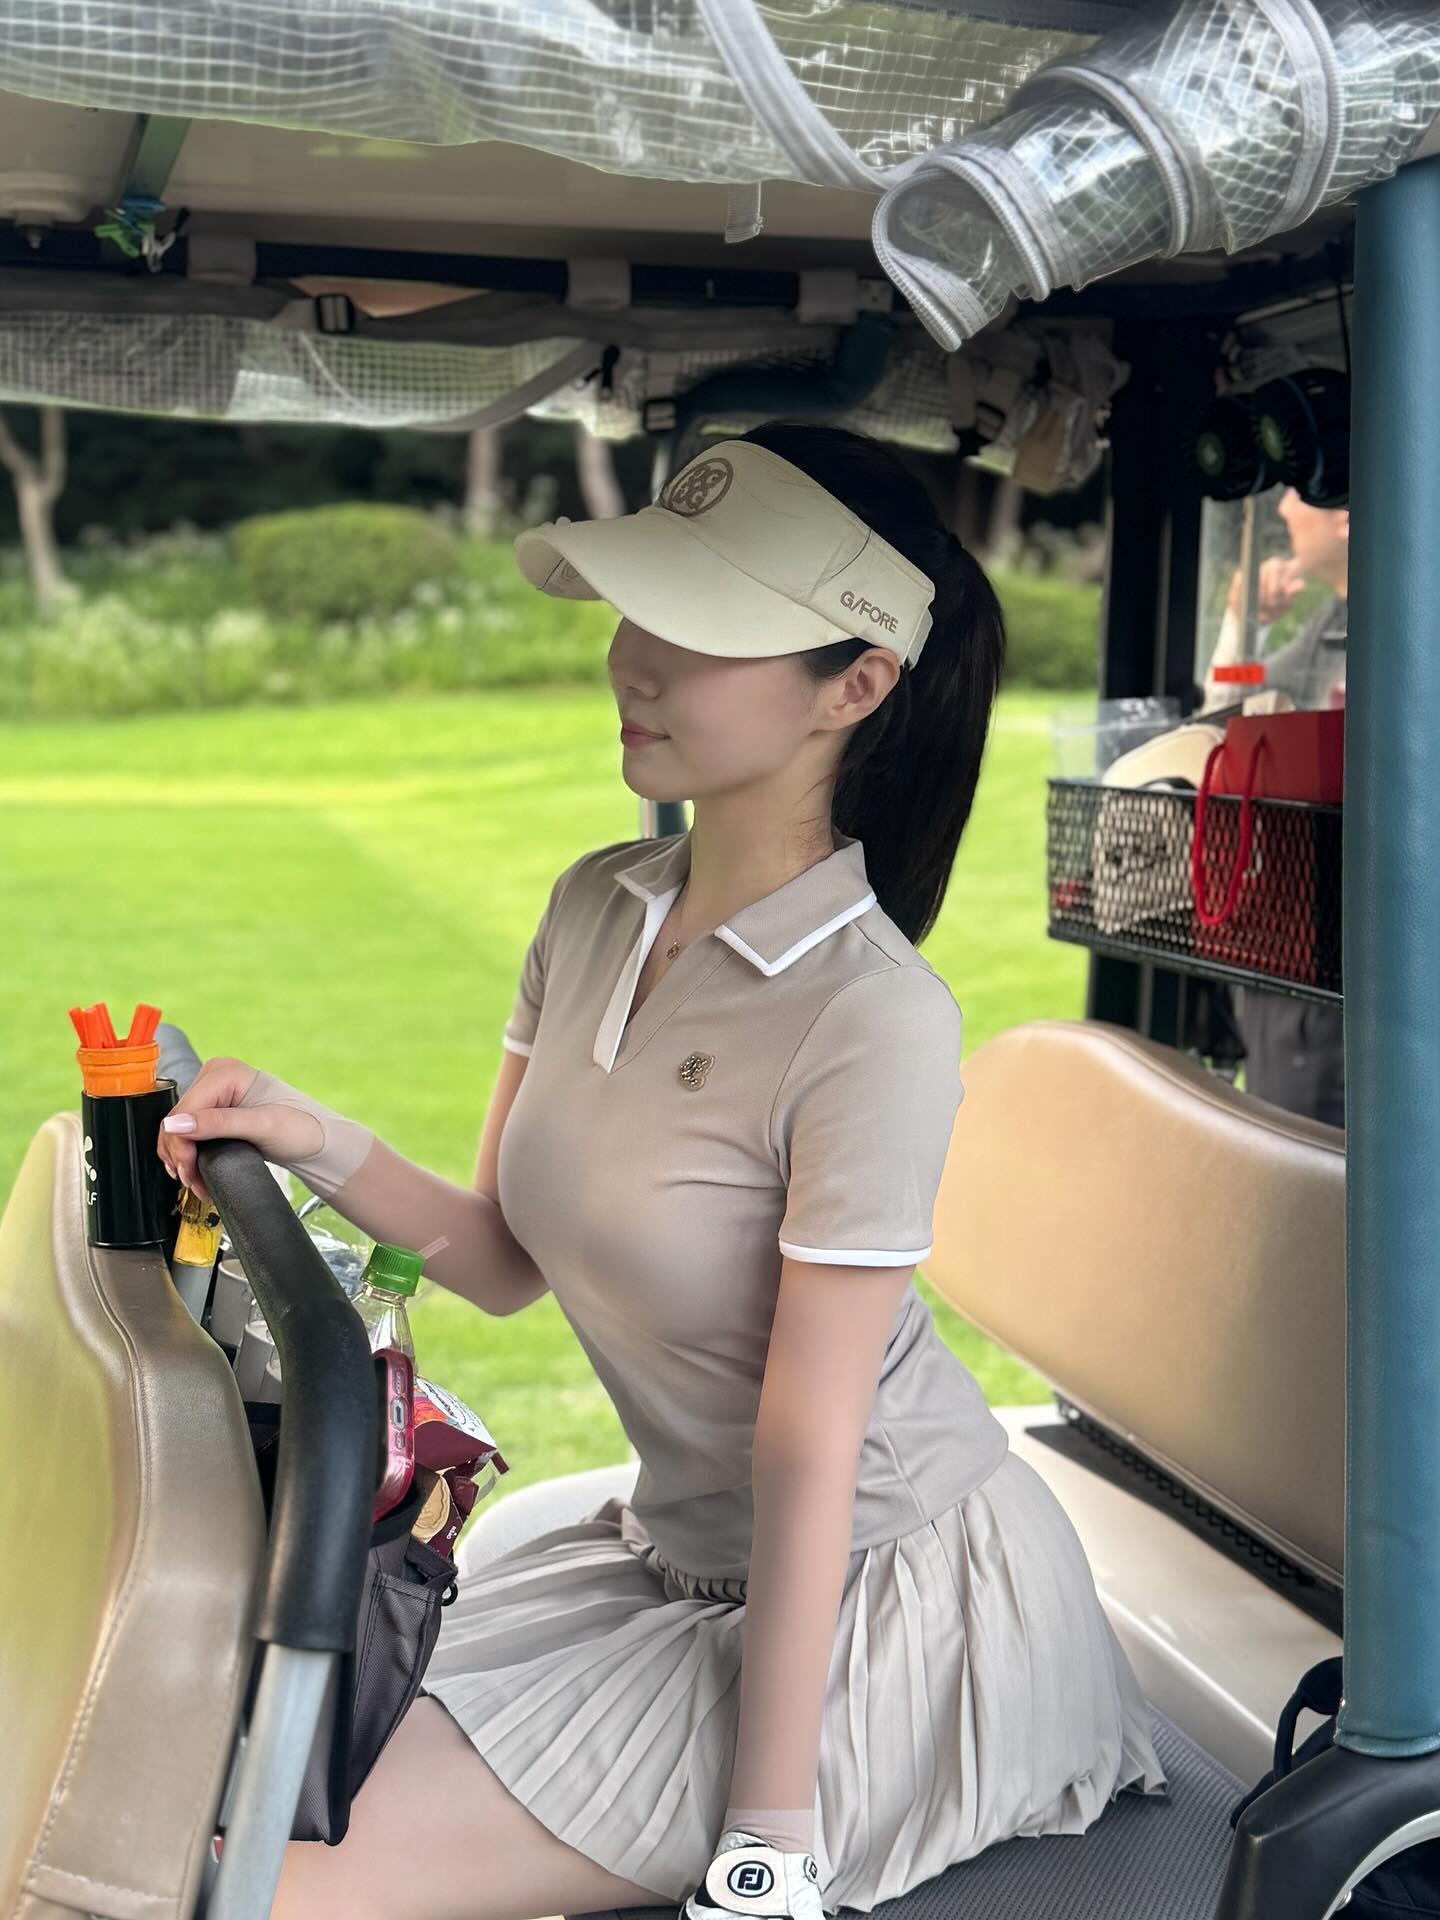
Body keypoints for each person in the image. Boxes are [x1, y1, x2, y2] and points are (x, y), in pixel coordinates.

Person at [156, 425, 1166, 1920]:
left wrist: (771, 1835)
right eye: (643, 611)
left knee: (253, 1883)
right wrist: (309, 1134)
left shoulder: (871, 1014)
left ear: (856, 685)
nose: (633, 661)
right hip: (671, 1555)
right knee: (207, 1765)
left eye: (704, 631)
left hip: (880, 1612)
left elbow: (812, 1447)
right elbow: (507, 1259)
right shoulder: (596, 906)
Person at [1201, 486, 1348, 1129]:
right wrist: (1244, 624)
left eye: (1300, 491)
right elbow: (1230, 712)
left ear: (1345, 517)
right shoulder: (1332, 622)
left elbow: (1221, 726)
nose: (1283, 507)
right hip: (1295, 935)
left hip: (1328, 959)